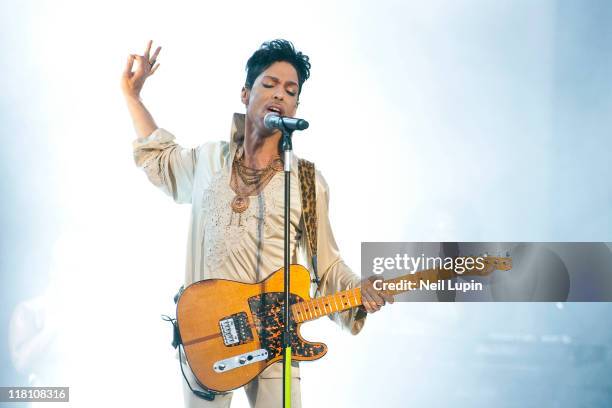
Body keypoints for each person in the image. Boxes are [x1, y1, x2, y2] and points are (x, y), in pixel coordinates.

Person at [121, 39, 393, 408]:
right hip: (209, 336)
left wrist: (360, 289)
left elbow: (326, 266)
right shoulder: (208, 160)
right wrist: (132, 95)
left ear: (296, 106)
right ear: (246, 93)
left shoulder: (307, 182)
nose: (280, 94)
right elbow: (162, 158)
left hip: (277, 340)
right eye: (270, 84)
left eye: (290, 90)